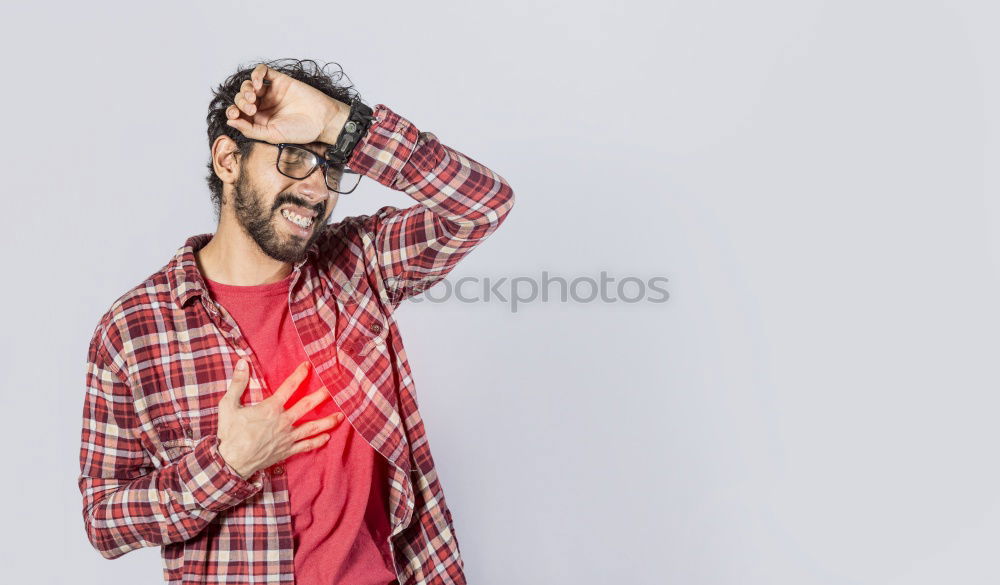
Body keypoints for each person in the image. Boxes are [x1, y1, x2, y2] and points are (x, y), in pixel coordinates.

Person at [77, 58, 514, 585]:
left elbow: (482, 206)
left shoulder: (359, 265)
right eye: (293, 158)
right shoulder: (133, 331)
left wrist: (344, 125)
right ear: (227, 160)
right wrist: (226, 465)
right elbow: (103, 520)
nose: (317, 190)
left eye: (331, 166)